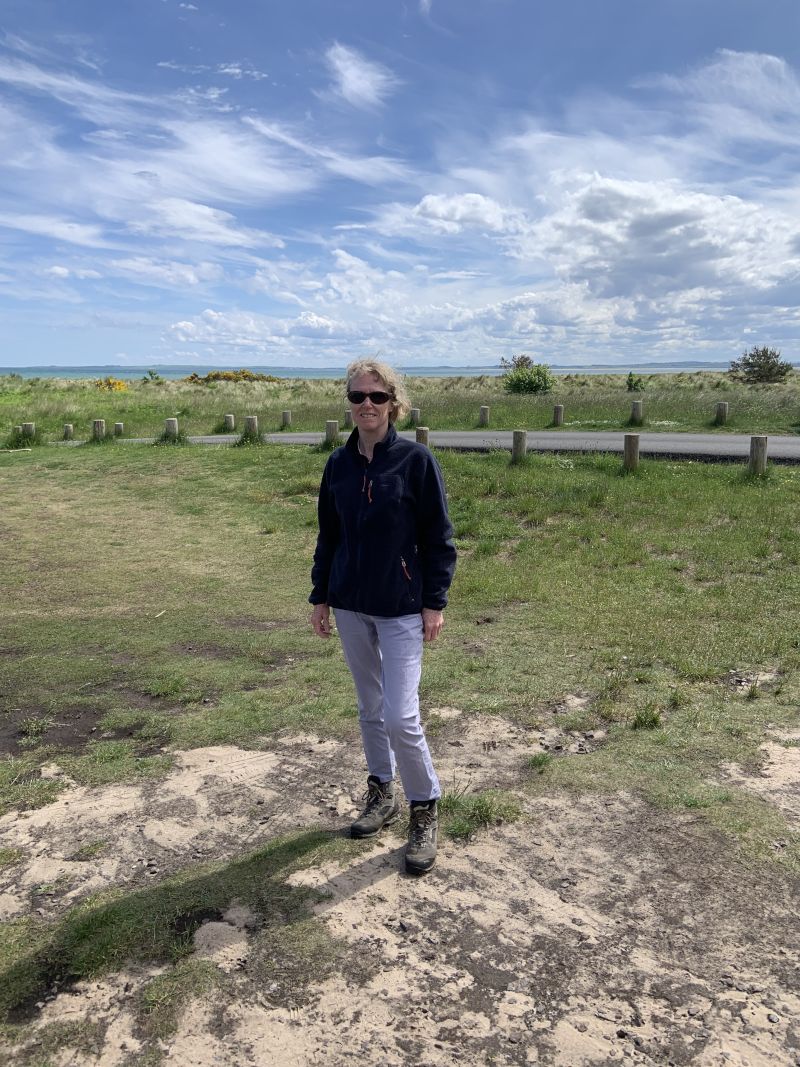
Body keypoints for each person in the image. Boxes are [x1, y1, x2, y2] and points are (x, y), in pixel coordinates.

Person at [309, 358, 457, 874]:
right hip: (350, 604)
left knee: (401, 715)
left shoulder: (416, 461)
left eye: (376, 396)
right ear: (348, 403)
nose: (366, 405)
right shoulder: (338, 464)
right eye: (357, 397)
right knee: (370, 707)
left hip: (400, 609)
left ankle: (424, 806)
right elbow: (329, 535)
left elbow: (439, 539)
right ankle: (381, 791)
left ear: (394, 403)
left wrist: (434, 602)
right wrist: (321, 596)